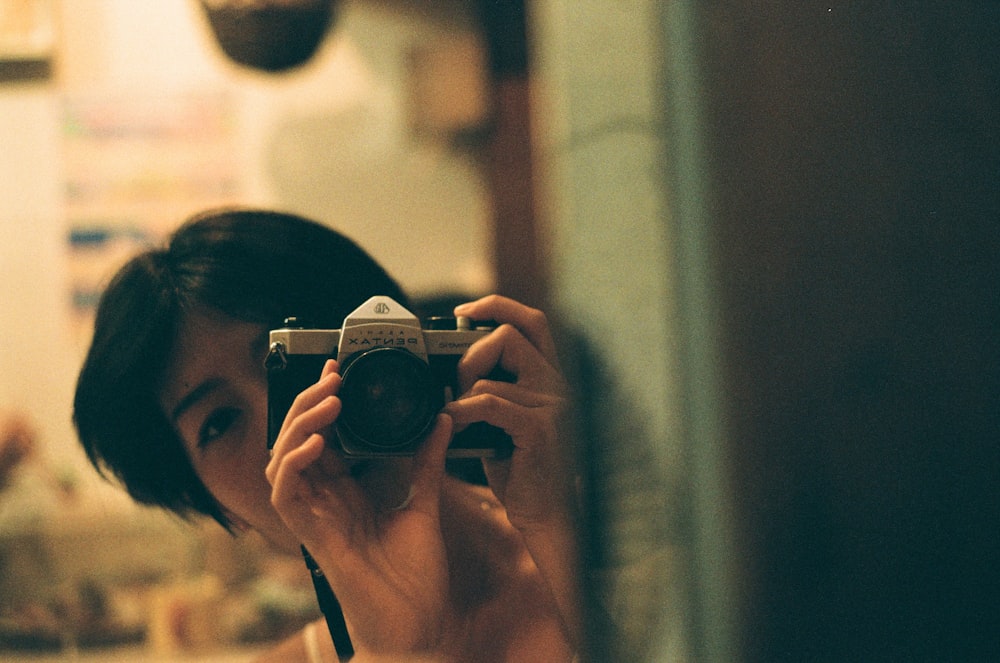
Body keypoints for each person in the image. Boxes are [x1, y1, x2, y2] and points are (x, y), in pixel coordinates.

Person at [73, 208, 580, 662]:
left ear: (409, 348)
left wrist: (567, 538)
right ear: (218, 507)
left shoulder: (599, 550)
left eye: (299, 365)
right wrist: (397, 653)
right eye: (220, 421)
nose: (293, 421)